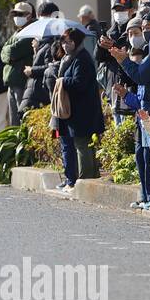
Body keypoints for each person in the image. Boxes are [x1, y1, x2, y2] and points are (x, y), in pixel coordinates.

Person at [109, 12, 150, 209]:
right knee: (144, 158)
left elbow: (141, 77)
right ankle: (149, 197)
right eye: (142, 29)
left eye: (148, 28)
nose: (144, 33)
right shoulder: (149, 54)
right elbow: (141, 88)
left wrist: (124, 60)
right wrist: (126, 95)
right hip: (145, 113)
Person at [55, 27, 105, 188]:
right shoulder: (71, 58)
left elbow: (79, 83)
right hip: (76, 110)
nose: (65, 45)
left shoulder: (82, 58)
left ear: (76, 42)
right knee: (82, 145)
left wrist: (62, 81)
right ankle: (84, 178)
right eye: (63, 42)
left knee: (82, 144)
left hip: (82, 111)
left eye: (69, 42)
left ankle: (85, 180)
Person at [97, 0, 138, 125]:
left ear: (131, 11)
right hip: (113, 86)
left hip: (129, 85)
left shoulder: (134, 30)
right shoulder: (110, 32)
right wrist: (101, 45)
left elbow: (131, 52)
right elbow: (99, 58)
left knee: (129, 124)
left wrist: (114, 46)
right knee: (117, 124)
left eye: (123, 10)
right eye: (117, 10)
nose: (119, 13)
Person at [1, 0, 35, 123]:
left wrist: (8, 52)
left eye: (19, 14)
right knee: (14, 120)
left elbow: (13, 52)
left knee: (22, 118)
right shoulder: (18, 31)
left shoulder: (32, 31)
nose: (16, 17)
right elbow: (3, 52)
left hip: (22, 81)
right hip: (13, 81)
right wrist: (8, 52)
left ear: (29, 15)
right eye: (15, 14)